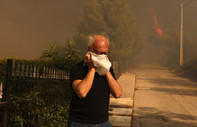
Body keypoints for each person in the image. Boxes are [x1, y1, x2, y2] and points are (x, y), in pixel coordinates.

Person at [68, 35, 122, 127]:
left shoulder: (107, 70)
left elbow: (117, 93)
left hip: (103, 122)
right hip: (80, 123)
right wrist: (92, 68)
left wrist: (106, 69)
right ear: (90, 49)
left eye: (105, 53)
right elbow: (82, 92)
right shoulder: (78, 69)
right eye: (99, 52)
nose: (102, 56)